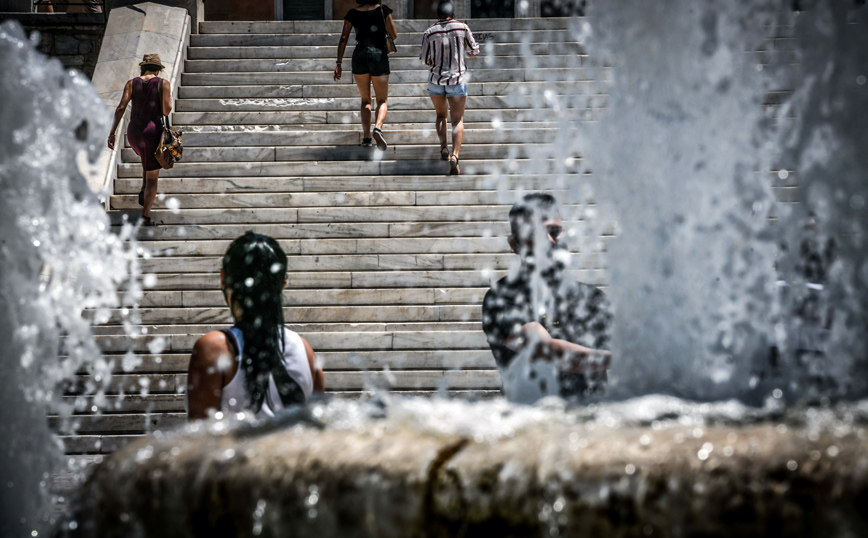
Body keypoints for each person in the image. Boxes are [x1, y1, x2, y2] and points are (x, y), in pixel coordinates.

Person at [481, 194, 613, 400]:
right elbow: (543, 349)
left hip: (594, 422)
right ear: (515, 244)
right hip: (534, 423)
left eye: (554, 231)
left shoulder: (593, 297)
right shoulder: (502, 297)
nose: (550, 241)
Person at [186, 232, 325, 420]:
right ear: (283, 283)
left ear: (223, 277)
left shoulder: (214, 348)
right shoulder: (306, 350)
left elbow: (199, 439)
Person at [107, 53, 171, 227]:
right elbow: (166, 111)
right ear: (158, 69)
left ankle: (143, 188)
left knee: (146, 159)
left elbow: (121, 108)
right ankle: (145, 217)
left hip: (134, 132)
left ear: (143, 67)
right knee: (153, 177)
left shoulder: (131, 83)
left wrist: (112, 133)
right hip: (152, 131)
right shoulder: (162, 84)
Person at [419, 1, 479, 175]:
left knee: (440, 115)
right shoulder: (463, 28)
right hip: (457, 79)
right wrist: (462, 53)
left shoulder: (429, 32)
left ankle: (444, 148)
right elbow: (474, 50)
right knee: (457, 119)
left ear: (437, 14)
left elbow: (424, 59)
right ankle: (455, 155)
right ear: (452, 13)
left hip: (436, 80)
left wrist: (435, 61)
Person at [334, 0, 398, 151]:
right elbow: (393, 35)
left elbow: (343, 38)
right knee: (382, 100)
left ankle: (367, 137)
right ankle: (378, 128)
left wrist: (338, 63)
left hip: (360, 56)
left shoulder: (352, 13)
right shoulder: (383, 10)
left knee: (365, 100)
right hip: (378, 55)